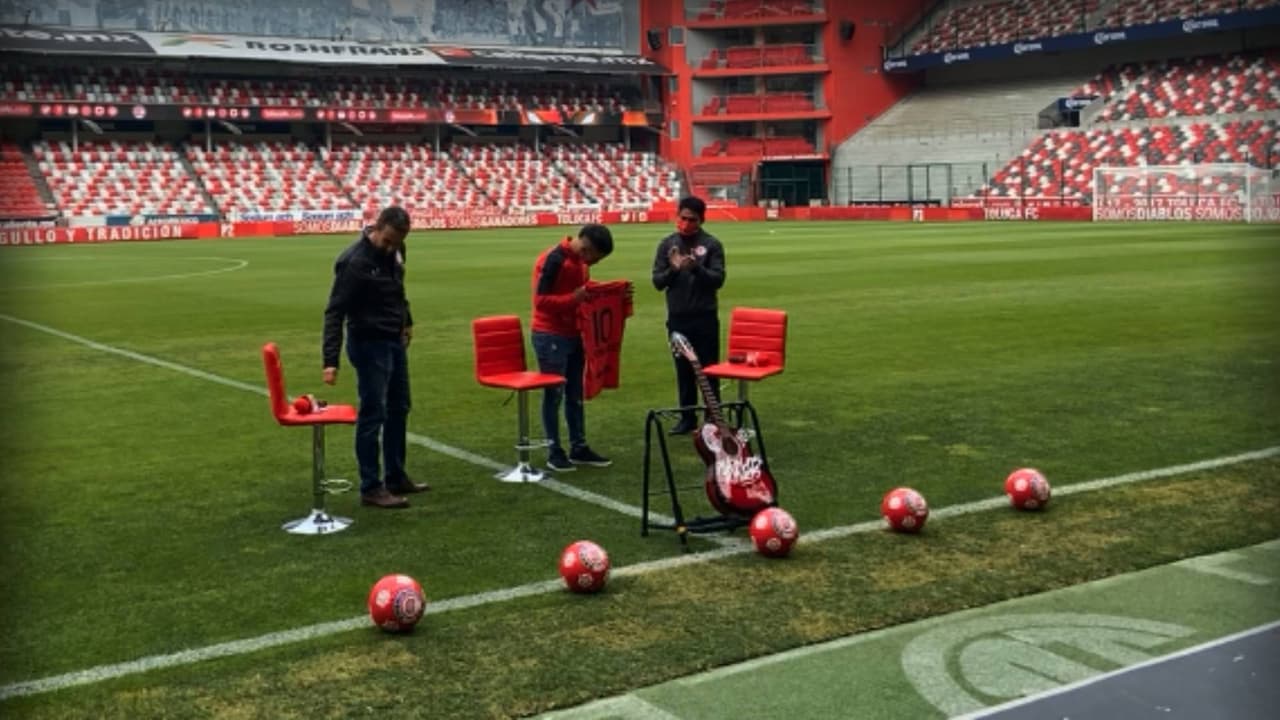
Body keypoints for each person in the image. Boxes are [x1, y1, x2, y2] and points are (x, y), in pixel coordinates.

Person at [322, 206, 430, 509]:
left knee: (400, 407)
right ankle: (371, 486)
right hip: (368, 344)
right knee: (373, 413)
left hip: (393, 340)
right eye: (387, 241)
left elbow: (398, 291)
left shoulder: (397, 251)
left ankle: (395, 475)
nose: (391, 247)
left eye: (397, 242)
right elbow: (334, 312)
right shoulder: (353, 262)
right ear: (376, 227)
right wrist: (330, 360)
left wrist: (406, 321)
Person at [531, 224, 618, 472]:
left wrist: (607, 292)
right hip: (550, 335)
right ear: (588, 247)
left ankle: (578, 446)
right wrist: (574, 298)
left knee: (574, 393)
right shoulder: (554, 259)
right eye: (595, 258)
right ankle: (554, 450)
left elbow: (581, 292)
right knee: (554, 394)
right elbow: (541, 301)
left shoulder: (580, 263)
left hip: (573, 333)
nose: (593, 264)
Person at [651, 196, 726, 435]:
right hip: (678, 318)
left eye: (691, 219)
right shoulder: (667, 245)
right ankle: (687, 417)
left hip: (704, 317)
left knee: (708, 370)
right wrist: (674, 269)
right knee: (683, 370)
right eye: (682, 218)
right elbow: (657, 282)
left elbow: (718, 280)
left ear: (701, 220)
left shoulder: (711, 245)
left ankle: (712, 417)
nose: (685, 223)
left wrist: (696, 268)